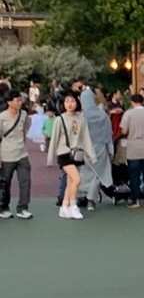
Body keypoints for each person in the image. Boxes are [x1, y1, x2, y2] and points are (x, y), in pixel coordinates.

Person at [47, 92, 96, 220]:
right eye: (67, 101)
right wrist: (50, 158)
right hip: (64, 152)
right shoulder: (59, 119)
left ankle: (65, 206)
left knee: (71, 181)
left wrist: (91, 155)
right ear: (63, 104)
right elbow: (54, 139)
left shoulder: (82, 119)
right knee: (77, 179)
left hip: (78, 153)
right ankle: (73, 205)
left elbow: (86, 138)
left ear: (77, 103)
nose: (69, 104)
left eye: (72, 101)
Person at [119, 93, 144, 208]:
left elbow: (124, 131)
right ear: (143, 101)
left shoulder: (128, 113)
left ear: (132, 102)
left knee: (134, 175)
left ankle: (135, 199)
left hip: (134, 146)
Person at [79, 86, 114, 210]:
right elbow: (108, 133)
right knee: (98, 173)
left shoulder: (82, 116)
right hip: (101, 147)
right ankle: (91, 199)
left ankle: (83, 195)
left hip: (86, 147)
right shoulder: (103, 115)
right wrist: (110, 149)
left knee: (85, 173)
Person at [0, 92, 33, 219]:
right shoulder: (2, 117)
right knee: (5, 183)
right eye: (17, 100)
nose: (20, 102)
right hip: (7, 154)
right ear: (9, 102)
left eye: (21, 100)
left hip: (22, 153)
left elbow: (24, 129)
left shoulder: (23, 114)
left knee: (26, 181)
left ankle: (22, 208)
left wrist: (23, 144)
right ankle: (4, 207)